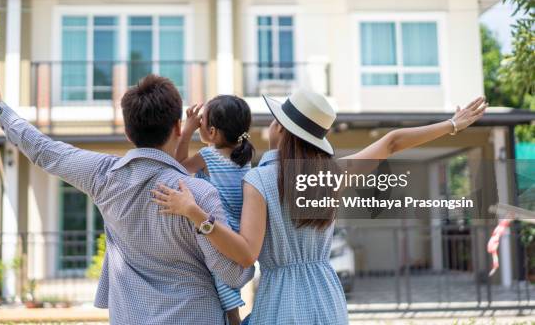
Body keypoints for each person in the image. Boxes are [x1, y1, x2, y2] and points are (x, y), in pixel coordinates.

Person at [153, 89, 487, 324]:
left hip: (281, 300)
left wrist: (196, 214)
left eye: (274, 120)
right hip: (328, 295)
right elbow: (392, 141)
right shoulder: (331, 176)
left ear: (281, 130)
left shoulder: (258, 181)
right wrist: (453, 125)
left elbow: (245, 254)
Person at [0, 70, 254, 325]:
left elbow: (43, 150)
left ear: (127, 131)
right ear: (178, 127)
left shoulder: (104, 175)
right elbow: (233, 274)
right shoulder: (199, 193)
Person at [175, 95, 255, 325]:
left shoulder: (209, 156)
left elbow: (178, 166)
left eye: (201, 122)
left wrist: (187, 130)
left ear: (213, 132)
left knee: (218, 273)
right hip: (240, 229)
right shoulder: (244, 156)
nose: (198, 123)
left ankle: (233, 318)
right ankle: (233, 316)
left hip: (220, 225)